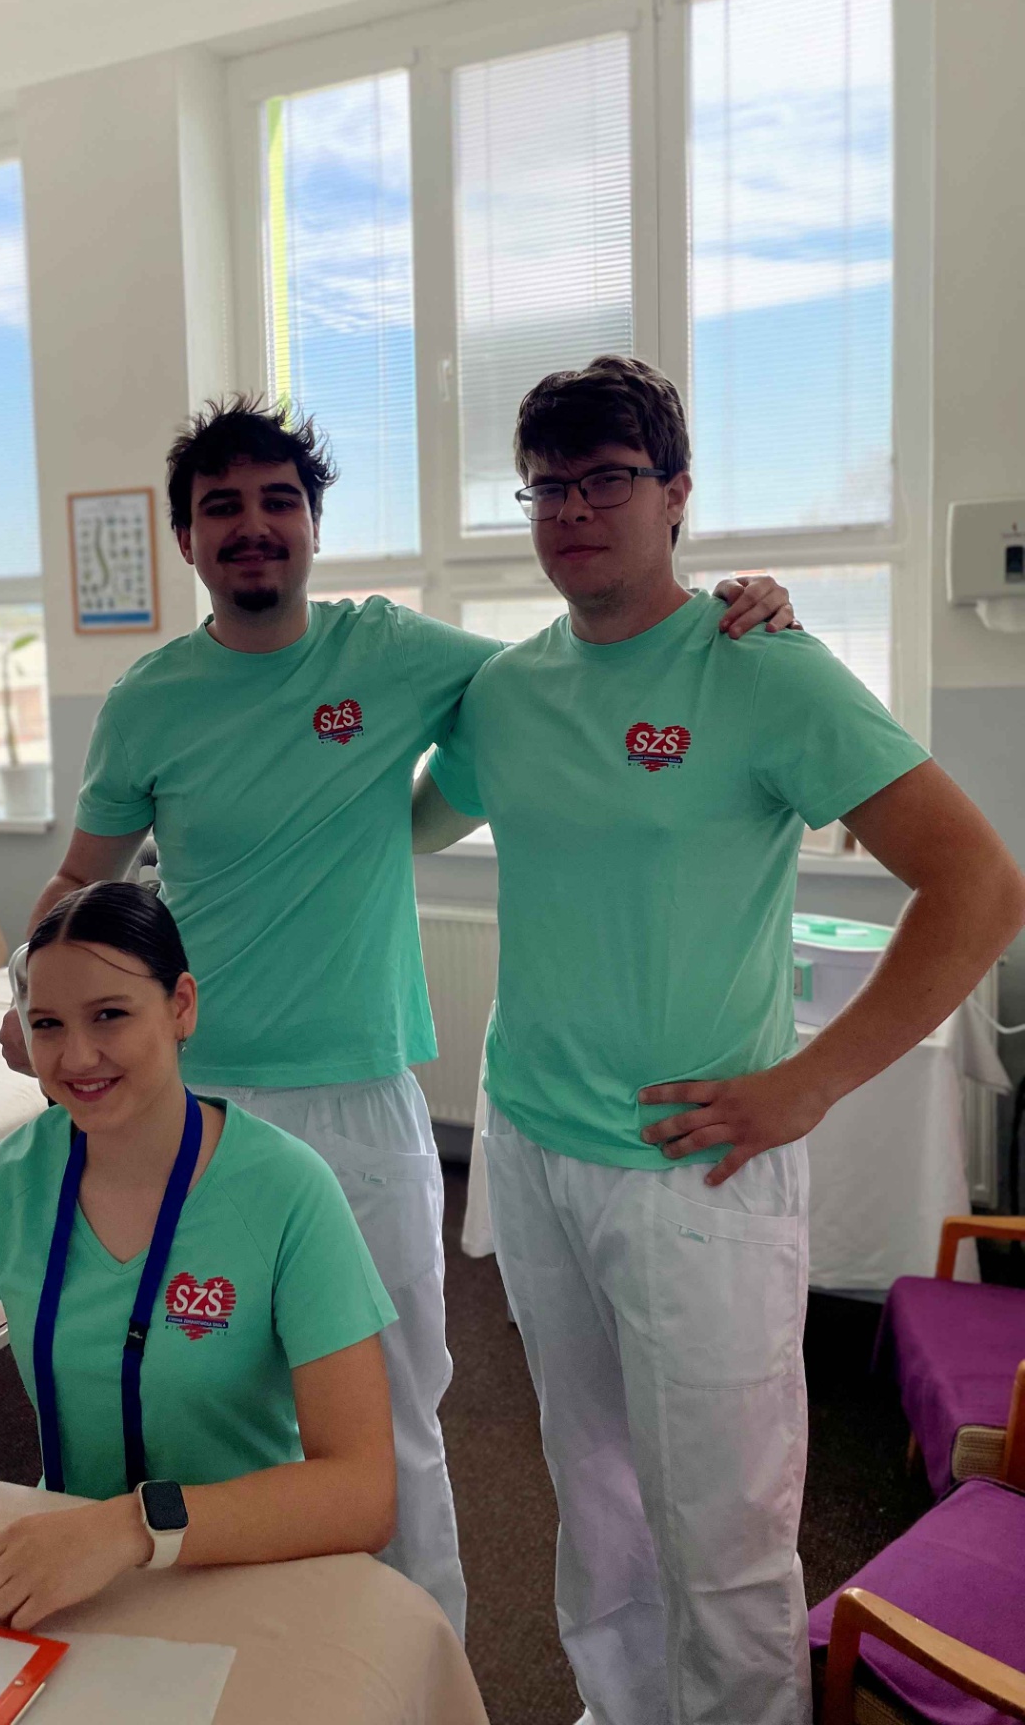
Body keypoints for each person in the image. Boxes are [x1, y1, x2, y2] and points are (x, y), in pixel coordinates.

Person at [0, 395, 798, 1636]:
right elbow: (80, 878)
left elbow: (581, 657)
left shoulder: (395, 653)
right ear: (187, 539)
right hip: (187, 1106)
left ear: (315, 527)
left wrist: (733, 606)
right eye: (222, 507)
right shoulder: (150, 699)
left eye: (279, 502)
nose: (253, 526)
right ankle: (224, 1668)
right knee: (195, 1403)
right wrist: (28, 995)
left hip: (360, 1100)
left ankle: (419, 1677)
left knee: (391, 1415)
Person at [412, 355, 1025, 1725]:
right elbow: (398, 827)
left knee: (725, 1527)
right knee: (596, 1500)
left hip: (698, 1170)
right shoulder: (505, 693)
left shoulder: (763, 670)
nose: (575, 510)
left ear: (677, 493)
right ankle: (623, 1709)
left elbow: (981, 887)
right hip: (535, 1144)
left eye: (608, 479)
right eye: (547, 487)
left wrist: (812, 1083)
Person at [0, 882, 397, 1631]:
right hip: (65, 1580)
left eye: (110, 1015)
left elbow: (363, 1491)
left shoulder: (287, 1192)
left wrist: (133, 1528)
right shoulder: (11, 1182)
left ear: (181, 1006)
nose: (77, 1056)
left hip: (240, 1568)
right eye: (47, 1025)